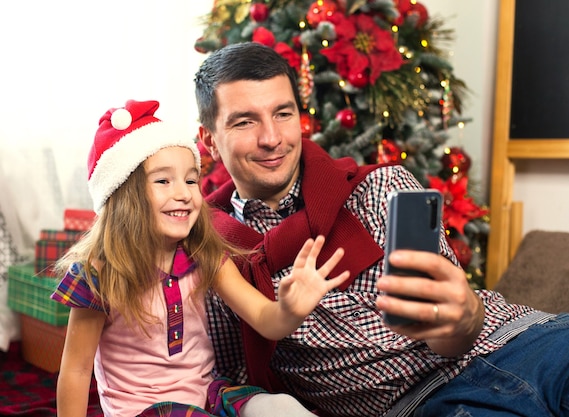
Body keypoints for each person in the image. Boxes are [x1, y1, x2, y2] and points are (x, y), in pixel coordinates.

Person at [193, 41, 569, 417]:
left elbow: (454, 332)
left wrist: (465, 317)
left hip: (533, 343)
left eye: (282, 113)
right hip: (425, 404)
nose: (272, 138)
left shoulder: (383, 187)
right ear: (209, 140)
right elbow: (224, 379)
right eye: (245, 121)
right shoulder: (210, 249)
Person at [50, 99, 349, 417]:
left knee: (281, 406)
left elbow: (266, 320)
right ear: (124, 196)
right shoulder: (99, 273)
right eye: (164, 181)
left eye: (191, 179)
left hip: (208, 399)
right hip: (145, 411)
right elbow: (77, 371)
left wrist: (288, 309)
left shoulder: (205, 257)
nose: (184, 193)